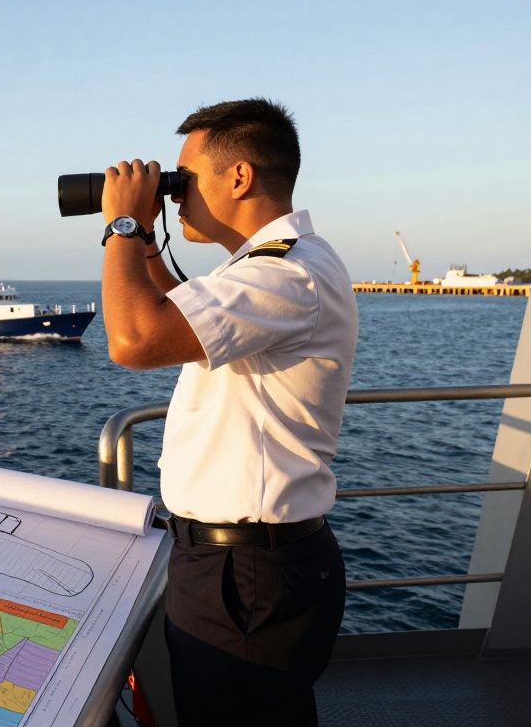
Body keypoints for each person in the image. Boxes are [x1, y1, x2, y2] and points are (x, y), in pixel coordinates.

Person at [98, 98, 357, 726]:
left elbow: (133, 340)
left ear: (238, 177)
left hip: (245, 577)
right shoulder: (270, 269)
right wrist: (148, 237)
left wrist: (123, 226)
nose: (175, 195)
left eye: (184, 179)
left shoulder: (286, 275)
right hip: (237, 567)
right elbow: (171, 316)